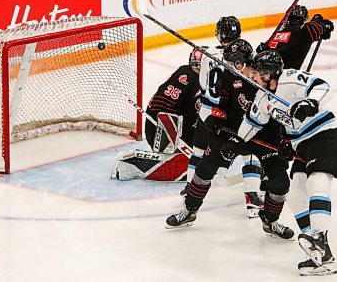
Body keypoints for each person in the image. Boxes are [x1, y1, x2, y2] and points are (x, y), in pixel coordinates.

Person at [236, 50, 337, 275]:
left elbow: (323, 87)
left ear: (268, 74)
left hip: (325, 137)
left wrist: (310, 103)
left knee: (316, 183)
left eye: (257, 74)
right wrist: (235, 142)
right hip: (302, 147)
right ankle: (320, 254)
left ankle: (318, 239)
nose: (253, 78)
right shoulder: (263, 97)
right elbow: (251, 125)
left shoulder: (291, 78)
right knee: (296, 196)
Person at [165, 38, 269, 228]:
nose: (228, 65)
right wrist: (217, 120)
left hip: (247, 124)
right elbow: (224, 100)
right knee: (207, 166)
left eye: (231, 62)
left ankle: (260, 203)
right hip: (226, 123)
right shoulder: (232, 75)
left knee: (258, 160)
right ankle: (190, 210)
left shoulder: (258, 77)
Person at [183, 16, 265, 218]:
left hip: (209, 111)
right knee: (250, 151)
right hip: (236, 110)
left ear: (219, 34)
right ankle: (252, 197)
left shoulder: (207, 54)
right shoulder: (248, 52)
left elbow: (204, 85)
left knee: (199, 150)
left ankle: (188, 190)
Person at [111, 47, 203, 182]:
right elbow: (161, 108)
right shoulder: (185, 76)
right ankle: (130, 161)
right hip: (160, 129)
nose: (199, 70)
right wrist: (170, 133)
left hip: (183, 129)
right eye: (196, 67)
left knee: (200, 161)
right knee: (185, 166)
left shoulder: (205, 79)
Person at [256, 5, 334, 70]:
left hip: (263, 70)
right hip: (282, 76)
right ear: (304, 20)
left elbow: (262, 50)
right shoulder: (301, 33)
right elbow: (314, 28)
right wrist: (320, 22)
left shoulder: (280, 31)